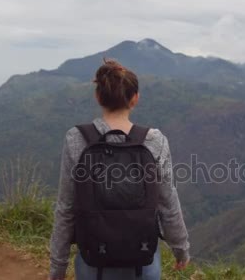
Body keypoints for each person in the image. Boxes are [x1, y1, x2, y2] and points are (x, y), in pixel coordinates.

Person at [49, 58, 190, 280]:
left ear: (98, 97)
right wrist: (181, 249)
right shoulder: (154, 141)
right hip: (143, 263)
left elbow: (66, 207)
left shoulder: (76, 139)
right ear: (135, 99)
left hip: (93, 263)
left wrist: (57, 267)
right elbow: (168, 203)